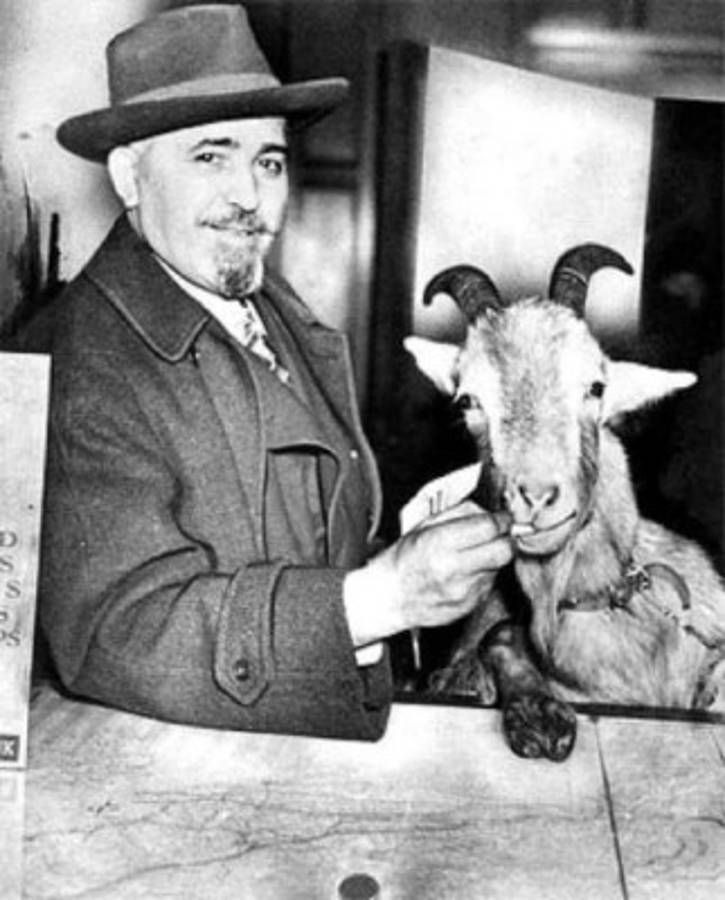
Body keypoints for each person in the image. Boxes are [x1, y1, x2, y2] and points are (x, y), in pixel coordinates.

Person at [21, 4, 512, 740]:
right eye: (210, 157)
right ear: (129, 176)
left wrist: (410, 558)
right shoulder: (83, 361)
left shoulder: (263, 307)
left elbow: (302, 540)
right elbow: (123, 633)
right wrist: (381, 598)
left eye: (269, 162)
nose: (250, 196)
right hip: (182, 779)